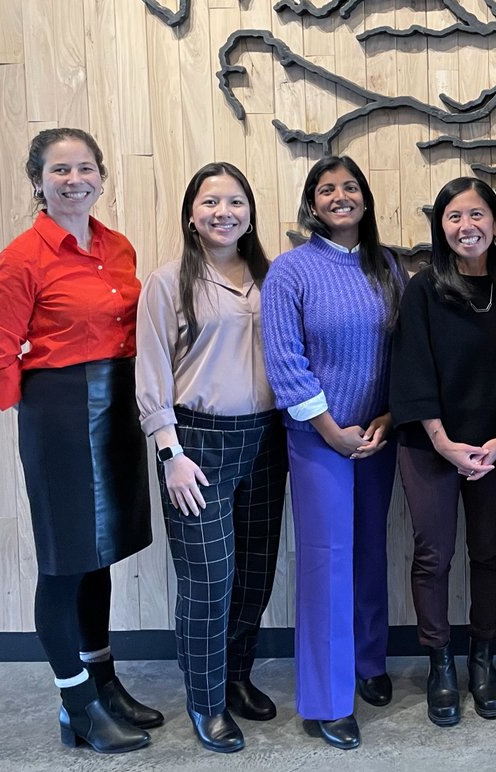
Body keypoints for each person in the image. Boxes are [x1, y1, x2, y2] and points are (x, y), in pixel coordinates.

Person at [0, 128, 158, 754]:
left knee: (97, 552)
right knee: (64, 562)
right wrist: (43, 417)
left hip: (116, 407)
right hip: (59, 412)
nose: (74, 179)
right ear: (39, 180)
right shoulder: (22, 257)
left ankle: (104, 682)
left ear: (102, 177)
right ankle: (75, 703)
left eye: (85, 168)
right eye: (60, 170)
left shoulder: (118, 247)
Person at [135, 163, 287, 753]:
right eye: (211, 202)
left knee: (255, 569)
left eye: (236, 202)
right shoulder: (168, 281)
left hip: (266, 437)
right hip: (195, 444)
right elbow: (150, 374)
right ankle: (206, 700)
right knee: (208, 578)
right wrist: (169, 451)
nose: (224, 212)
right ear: (192, 215)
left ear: (250, 213)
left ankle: (237, 676)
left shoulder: (272, 277)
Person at [260, 155, 403, 750]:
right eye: (327, 189)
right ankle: (326, 698)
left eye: (349, 188)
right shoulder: (290, 271)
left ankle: (369, 662)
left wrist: (387, 417)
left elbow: (403, 353)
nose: (339, 197)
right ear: (312, 203)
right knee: (326, 561)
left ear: (365, 201)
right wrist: (328, 428)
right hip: (317, 439)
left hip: (377, 434)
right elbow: (285, 361)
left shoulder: (386, 266)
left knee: (371, 549)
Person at [390, 177, 496, 726]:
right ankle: (439, 661)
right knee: (434, 554)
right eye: (454, 217)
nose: (466, 226)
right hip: (430, 444)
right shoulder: (424, 288)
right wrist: (444, 442)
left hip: (494, 446)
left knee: (489, 551)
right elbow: (413, 368)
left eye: (477, 215)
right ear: (441, 227)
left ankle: (483, 658)